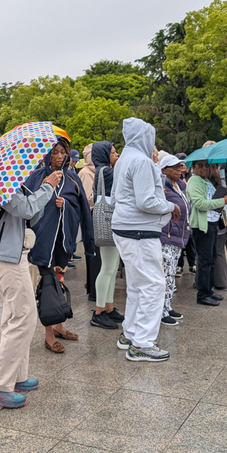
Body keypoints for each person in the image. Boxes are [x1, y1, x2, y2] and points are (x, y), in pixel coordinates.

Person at [0, 168, 62, 408]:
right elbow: (24, 209)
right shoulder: (0, 181)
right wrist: (47, 187)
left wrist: (40, 195)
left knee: (14, 315)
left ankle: (17, 375)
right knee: (24, 316)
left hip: (14, 254)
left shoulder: (12, 183)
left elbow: (30, 214)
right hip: (5, 257)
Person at [111, 118, 180, 362]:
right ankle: (142, 343)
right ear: (144, 137)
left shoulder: (124, 159)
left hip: (125, 228)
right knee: (153, 285)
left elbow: (118, 196)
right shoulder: (141, 161)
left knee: (138, 284)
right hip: (138, 230)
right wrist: (170, 205)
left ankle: (130, 334)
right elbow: (146, 202)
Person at [25, 136, 96, 352]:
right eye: (54, 152)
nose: (58, 156)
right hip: (43, 242)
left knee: (60, 281)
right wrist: (46, 197)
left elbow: (81, 208)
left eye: (62, 152)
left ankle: (59, 326)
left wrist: (65, 204)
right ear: (46, 154)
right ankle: (48, 335)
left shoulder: (72, 179)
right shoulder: (35, 178)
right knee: (48, 286)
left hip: (63, 242)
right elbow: (25, 208)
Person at [90, 140, 125, 329]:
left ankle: (109, 307)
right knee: (108, 269)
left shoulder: (102, 170)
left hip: (109, 222)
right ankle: (99, 311)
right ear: (104, 155)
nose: (117, 155)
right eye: (112, 152)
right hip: (110, 222)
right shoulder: (107, 171)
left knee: (110, 268)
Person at [187, 161, 227, 306]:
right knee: (205, 261)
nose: (204, 169)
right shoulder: (194, 181)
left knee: (211, 259)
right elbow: (200, 203)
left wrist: (223, 194)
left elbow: (211, 199)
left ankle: (209, 289)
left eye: (206, 166)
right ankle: (202, 294)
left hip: (211, 224)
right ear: (193, 168)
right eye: (200, 166)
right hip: (202, 226)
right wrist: (222, 201)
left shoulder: (205, 181)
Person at [158, 155, 191, 326]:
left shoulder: (179, 186)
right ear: (164, 170)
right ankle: (161, 311)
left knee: (171, 276)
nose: (179, 170)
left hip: (178, 236)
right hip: (167, 236)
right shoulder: (162, 188)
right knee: (166, 276)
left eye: (180, 167)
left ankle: (167, 306)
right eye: (175, 167)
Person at [78, 143, 100, 302]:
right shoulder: (86, 173)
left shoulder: (97, 171)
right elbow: (86, 199)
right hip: (92, 217)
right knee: (94, 255)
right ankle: (93, 290)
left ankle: (94, 286)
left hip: (96, 215)